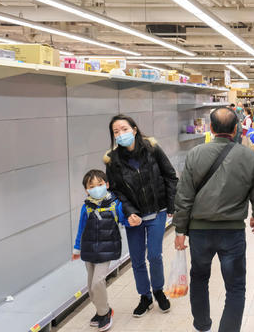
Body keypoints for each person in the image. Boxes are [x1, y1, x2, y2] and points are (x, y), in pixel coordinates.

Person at [173, 107, 254, 332]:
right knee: (235, 287)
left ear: (211, 129)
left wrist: (179, 231)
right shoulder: (248, 156)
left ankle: (202, 325)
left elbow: (183, 195)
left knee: (199, 278)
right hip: (232, 233)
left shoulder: (195, 154)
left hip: (199, 233)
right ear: (236, 129)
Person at [103, 115, 178, 318]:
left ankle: (158, 291)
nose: (121, 134)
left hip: (157, 212)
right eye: (116, 132)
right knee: (137, 259)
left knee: (154, 255)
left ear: (134, 130)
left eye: (124, 129)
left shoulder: (152, 149)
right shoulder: (112, 161)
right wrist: (129, 212)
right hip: (133, 218)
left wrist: (171, 204)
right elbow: (114, 192)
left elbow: (170, 175)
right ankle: (145, 297)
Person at [72, 169, 127, 331]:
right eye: (92, 186)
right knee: (91, 287)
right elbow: (81, 229)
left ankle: (104, 314)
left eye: (100, 184)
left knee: (98, 282)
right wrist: (77, 248)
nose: (96, 188)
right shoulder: (86, 207)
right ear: (86, 190)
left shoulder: (115, 204)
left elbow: (124, 220)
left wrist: (133, 220)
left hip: (107, 248)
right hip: (89, 249)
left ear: (107, 185)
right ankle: (102, 309)